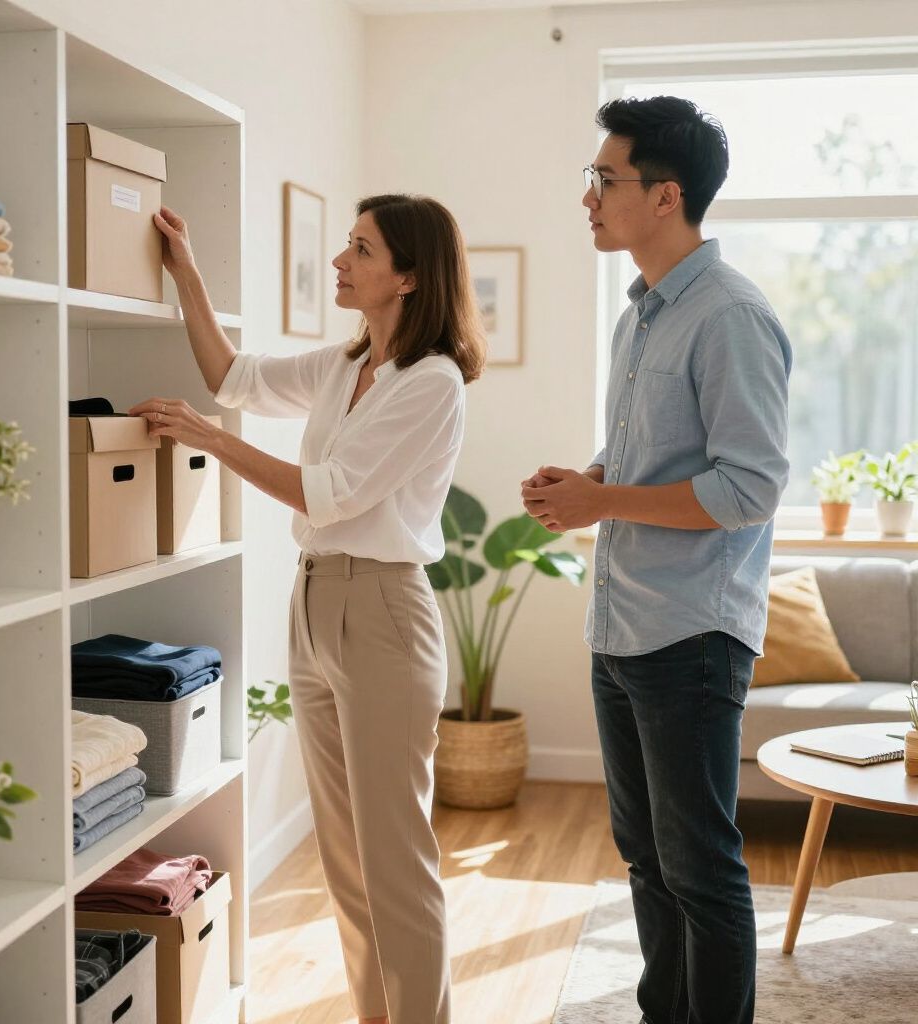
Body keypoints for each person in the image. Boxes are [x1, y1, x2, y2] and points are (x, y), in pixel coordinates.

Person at [130, 194, 484, 1024]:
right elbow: (232, 378)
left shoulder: (430, 383)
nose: (341, 262)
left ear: (408, 277)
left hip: (386, 614)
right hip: (316, 601)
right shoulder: (344, 365)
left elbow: (327, 493)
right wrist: (187, 272)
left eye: (360, 249)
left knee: (396, 863)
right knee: (348, 862)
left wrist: (211, 440)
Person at [521, 96, 791, 1024]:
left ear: (666, 195)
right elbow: (658, 462)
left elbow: (748, 490)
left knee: (701, 871)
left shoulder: (732, 317)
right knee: (645, 859)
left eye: (606, 179)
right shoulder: (639, 317)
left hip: (691, 632)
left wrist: (604, 501)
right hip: (622, 624)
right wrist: (588, 482)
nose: (588, 197)